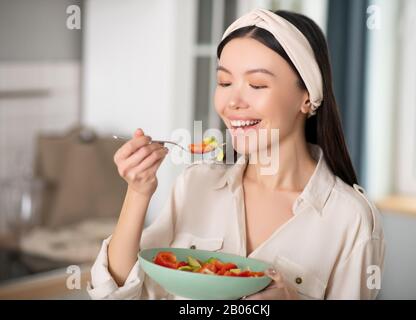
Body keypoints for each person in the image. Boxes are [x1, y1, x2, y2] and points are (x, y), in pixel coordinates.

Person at [88, 8, 385, 300]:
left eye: (257, 84)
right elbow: (116, 293)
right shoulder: (195, 185)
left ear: (306, 98)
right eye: (224, 82)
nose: (232, 101)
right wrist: (138, 193)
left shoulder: (350, 219)